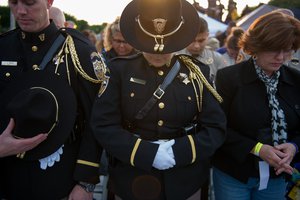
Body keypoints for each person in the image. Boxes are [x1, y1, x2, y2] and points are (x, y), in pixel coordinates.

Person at [91, 0, 226, 199]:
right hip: (132, 178)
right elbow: (103, 124)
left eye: (165, 47)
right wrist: (145, 153)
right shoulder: (118, 70)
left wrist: (180, 152)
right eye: (150, 46)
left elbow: (216, 127)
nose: (157, 53)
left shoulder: (198, 73)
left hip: (185, 180)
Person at [0, 0, 107, 199]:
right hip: (8, 175)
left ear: (49, 2)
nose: (21, 11)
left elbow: (95, 119)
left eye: (30, 3)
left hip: (60, 177)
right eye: (13, 3)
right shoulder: (4, 47)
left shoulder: (78, 51)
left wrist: (86, 182)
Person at [212, 11, 300, 200]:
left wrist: (293, 146)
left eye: (287, 49)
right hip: (234, 173)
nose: (280, 56)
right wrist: (258, 148)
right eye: (273, 49)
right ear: (255, 46)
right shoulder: (228, 78)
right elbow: (216, 126)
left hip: (277, 176)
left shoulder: (296, 80)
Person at [177, 16, 225, 83]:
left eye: (201, 41)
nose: (196, 46)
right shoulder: (173, 57)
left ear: (207, 36)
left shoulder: (217, 59)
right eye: (192, 40)